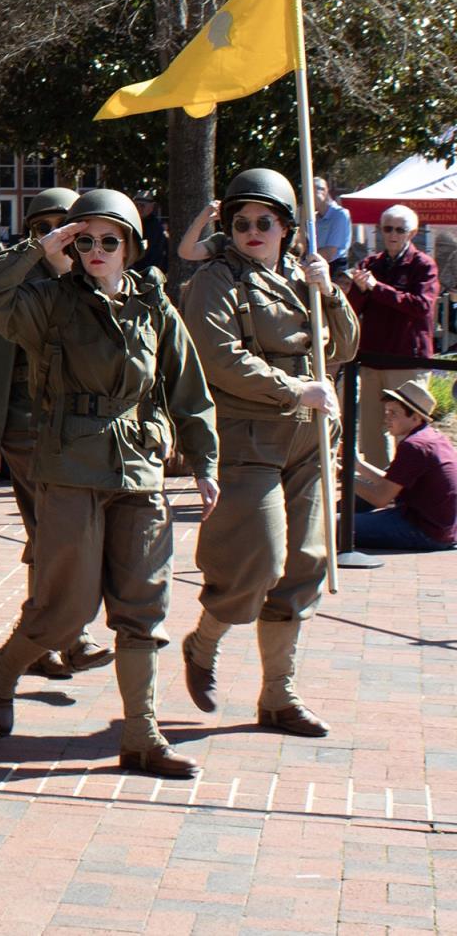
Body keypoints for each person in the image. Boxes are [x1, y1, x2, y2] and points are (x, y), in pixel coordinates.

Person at [0, 188, 219, 779]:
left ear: (130, 246)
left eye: (111, 240)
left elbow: (188, 390)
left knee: (143, 607)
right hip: (71, 468)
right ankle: (2, 669)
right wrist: (40, 247)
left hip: (139, 467)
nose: (98, 250)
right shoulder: (50, 302)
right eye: (87, 240)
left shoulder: (153, 307)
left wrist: (206, 464)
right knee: (66, 609)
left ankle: (141, 735)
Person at [178, 168, 359, 739]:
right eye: (241, 222)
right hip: (250, 433)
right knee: (254, 556)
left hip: (309, 439)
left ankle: (279, 695)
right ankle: (205, 640)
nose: (252, 231)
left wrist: (329, 294)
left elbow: (347, 347)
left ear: (286, 226)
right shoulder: (216, 280)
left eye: (264, 221)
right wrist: (292, 389)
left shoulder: (305, 278)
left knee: (305, 563)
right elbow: (218, 356)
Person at [0, 187, 114, 681]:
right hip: (28, 423)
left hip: (83, 429)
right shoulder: (22, 288)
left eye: (67, 227)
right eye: (43, 228)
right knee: (52, 532)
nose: (58, 237)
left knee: (60, 534)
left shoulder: (99, 279)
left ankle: (52, 637)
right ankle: (62, 639)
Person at [347, 205, 439, 468]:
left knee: (409, 431)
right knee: (372, 431)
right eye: (387, 228)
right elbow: (352, 308)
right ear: (380, 230)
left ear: (412, 232)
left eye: (400, 229)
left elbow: (421, 306)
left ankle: (410, 492)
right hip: (373, 359)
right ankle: (379, 492)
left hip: (407, 360)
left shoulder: (423, 265)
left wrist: (377, 289)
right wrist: (361, 289)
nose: (393, 234)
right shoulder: (370, 264)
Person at [352, 379, 457, 551]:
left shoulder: (414, 446)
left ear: (415, 418)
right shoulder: (432, 437)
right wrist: (358, 465)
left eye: (393, 413)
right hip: (441, 530)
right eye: (386, 412)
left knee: (329, 526)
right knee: (343, 514)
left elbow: (380, 498)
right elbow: (391, 483)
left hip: (423, 531)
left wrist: (340, 475)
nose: (387, 418)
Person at [310, 178, 353, 275]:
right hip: (318, 264)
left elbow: (330, 252)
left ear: (324, 191)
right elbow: (304, 246)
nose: (308, 198)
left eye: (311, 193)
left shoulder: (340, 215)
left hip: (336, 270)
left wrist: (304, 262)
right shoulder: (315, 218)